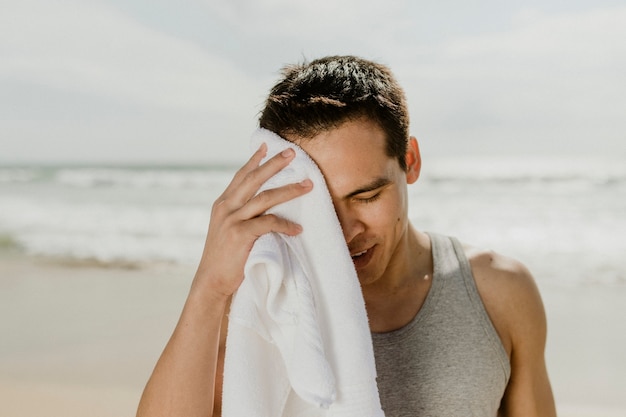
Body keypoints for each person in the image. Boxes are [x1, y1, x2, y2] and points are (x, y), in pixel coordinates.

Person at [136, 55, 556, 417]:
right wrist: (209, 287)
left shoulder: (500, 292)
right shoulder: (262, 304)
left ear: (409, 161)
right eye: (318, 211)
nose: (343, 233)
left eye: (366, 196)